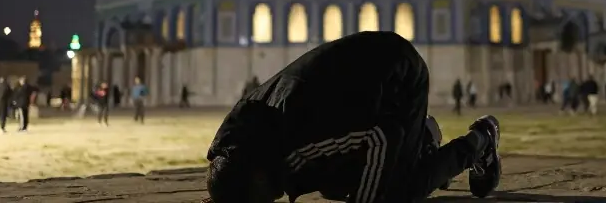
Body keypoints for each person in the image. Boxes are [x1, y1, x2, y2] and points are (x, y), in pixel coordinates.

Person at [204, 31, 501, 203]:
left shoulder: (296, 142)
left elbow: (383, 136)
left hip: (396, 75)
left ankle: (481, 139)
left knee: (398, 193)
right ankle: (421, 143)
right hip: (362, 84)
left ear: (258, 177)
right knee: (335, 183)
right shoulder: (241, 135)